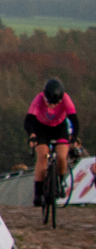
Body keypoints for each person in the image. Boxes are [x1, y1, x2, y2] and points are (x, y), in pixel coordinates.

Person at [26, 78, 79, 207]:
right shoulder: (38, 99)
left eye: (56, 104)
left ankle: (59, 182)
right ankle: (38, 193)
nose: (52, 106)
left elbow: (74, 121)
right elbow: (28, 121)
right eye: (49, 103)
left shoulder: (66, 99)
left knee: (61, 156)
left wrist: (73, 137)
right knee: (42, 157)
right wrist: (32, 135)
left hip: (59, 128)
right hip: (41, 127)